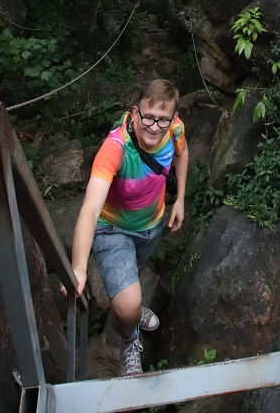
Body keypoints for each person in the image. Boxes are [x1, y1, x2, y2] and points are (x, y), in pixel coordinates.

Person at [70, 78, 188, 376]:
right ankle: (130, 337)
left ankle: (132, 309)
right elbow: (91, 208)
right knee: (127, 306)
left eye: (162, 120)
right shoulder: (115, 147)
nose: (153, 127)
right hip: (113, 229)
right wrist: (79, 268)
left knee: (132, 277)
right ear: (135, 113)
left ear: (174, 118)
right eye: (147, 117)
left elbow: (182, 154)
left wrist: (181, 200)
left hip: (152, 224)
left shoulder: (174, 131)